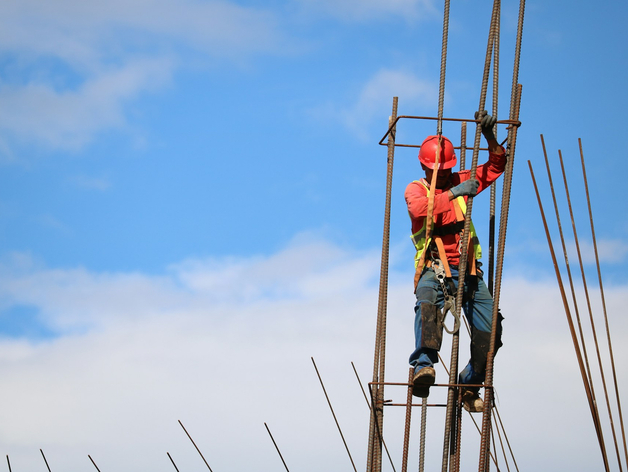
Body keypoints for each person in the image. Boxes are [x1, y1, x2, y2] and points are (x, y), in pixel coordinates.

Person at [404, 112, 506, 412]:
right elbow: (420, 210)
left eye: (449, 169)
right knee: (426, 303)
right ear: (426, 167)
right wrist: (452, 192)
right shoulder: (416, 189)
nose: (447, 174)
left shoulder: (460, 180)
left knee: (491, 337)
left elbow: (495, 167)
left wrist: (490, 139)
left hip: (469, 272)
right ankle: (424, 365)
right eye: (441, 170)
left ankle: (468, 384)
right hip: (434, 268)